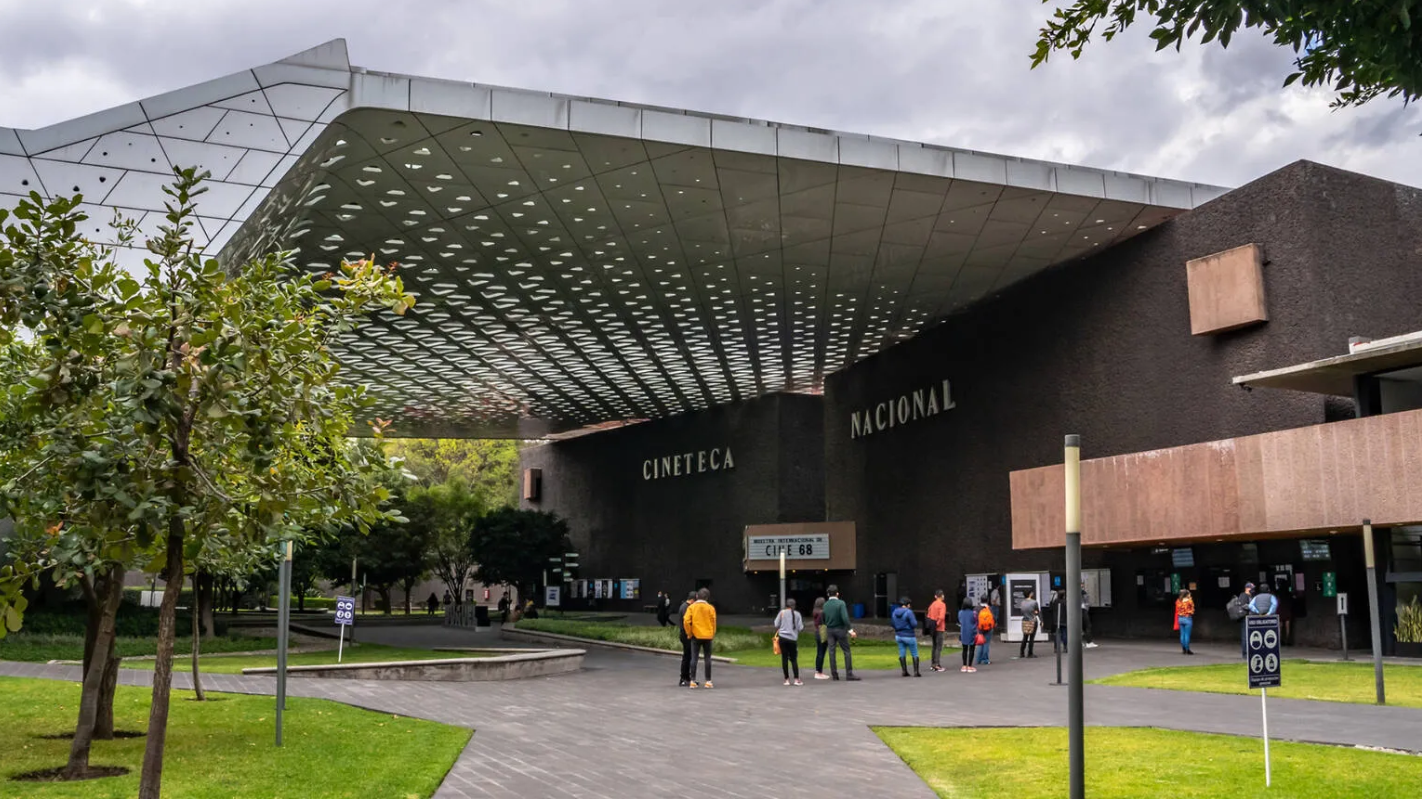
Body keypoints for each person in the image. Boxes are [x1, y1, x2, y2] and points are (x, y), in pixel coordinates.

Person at [822, 584, 860, 681]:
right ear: (837, 593)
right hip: (840, 629)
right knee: (846, 651)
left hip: (829, 630)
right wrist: (851, 630)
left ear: (828, 594)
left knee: (831, 652)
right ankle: (849, 674)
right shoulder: (841, 603)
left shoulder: (825, 605)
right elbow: (845, 618)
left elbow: (823, 619)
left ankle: (834, 674)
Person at [683, 587, 717, 688]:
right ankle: (708, 681)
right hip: (707, 636)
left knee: (694, 658)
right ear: (707, 597)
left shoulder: (692, 607)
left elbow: (686, 621)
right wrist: (712, 633)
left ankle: (692, 680)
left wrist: (689, 633)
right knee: (707, 658)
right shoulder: (710, 608)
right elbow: (713, 622)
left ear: (697, 596)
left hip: (695, 635)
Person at [773, 598, 804, 685]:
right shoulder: (797, 614)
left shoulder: (782, 613)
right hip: (792, 639)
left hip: (782, 638)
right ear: (794, 605)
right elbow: (800, 628)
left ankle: (786, 679)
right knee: (794, 659)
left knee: (784, 658)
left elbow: (776, 624)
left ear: (786, 605)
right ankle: (796, 679)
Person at [890, 596, 922, 677]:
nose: (910, 606)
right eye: (909, 604)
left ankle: (904, 671)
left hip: (899, 635)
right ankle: (916, 672)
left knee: (902, 652)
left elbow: (892, 623)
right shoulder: (909, 612)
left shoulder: (894, 612)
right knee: (914, 653)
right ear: (907, 604)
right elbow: (914, 624)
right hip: (909, 635)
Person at [674, 590, 695, 686]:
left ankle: (687, 677)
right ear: (693, 600)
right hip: (686, 634)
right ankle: (683, 677)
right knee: (687, 656)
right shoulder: (687, 608)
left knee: (688, 656)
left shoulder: (684, 606)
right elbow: (687, 621)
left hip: (684, 633)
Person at [927, 589, 948, 672]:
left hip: (932, 627)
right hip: (939, 628)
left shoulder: (932, 604)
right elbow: (942, 617)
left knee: (934, 646)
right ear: (942, 596)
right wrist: (937, 624)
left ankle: (933, 664)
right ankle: (937, 664)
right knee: (939, 647)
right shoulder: (942, 605)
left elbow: (928, 614)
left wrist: (932, 625)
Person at [1235, 582, 1256, 659]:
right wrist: (1253, 608)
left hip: (1250, 618)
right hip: (1245, 618)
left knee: (1250, 635)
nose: (1253, 590)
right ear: (1247, 588)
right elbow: (1243, 605)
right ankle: (1245, 653)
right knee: (1245, 635)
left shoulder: (1250, 596)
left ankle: (1250, 652)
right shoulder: (1244, 595)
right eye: (1252, 588)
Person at [958, 599, 979, 673]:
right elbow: (976, 622)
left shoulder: (960, 612)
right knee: (972, 649)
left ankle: (964, 666)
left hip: (963, 632)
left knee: (964, 649)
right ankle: (969, 666)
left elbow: (960, 621)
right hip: (972, 632)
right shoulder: (974, 613)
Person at [812, 596, 830, 680]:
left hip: (817, 632)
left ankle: (818, 671)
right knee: (821, 653)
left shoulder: (815, 612)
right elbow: (824, 623)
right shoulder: (822, 613)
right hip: (822, 631)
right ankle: (819, 672)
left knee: (819, 652)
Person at [1018, 590, 1040, 659]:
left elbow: (1021, 612)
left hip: (1025, 621)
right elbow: (1037, 612)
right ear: (1030, 594)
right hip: (1032, 621)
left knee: (1025, 637)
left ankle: (1022, 652)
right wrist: (1035, 613)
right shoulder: (1034, 602)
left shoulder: (1022, 603)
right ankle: (1030, 653)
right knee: (1031, 638)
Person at [1175, 588, 1195, 655]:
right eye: (1189, 593)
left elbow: (1177, 609)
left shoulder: (1178, 601)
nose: (1190, 594)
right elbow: (1192, 609)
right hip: (1187, 618)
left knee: (1182, 634)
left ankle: (1183, 649)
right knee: (1187, 635)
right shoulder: (1189, 601)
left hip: (1180, 618)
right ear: (1186, 595)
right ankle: (1187, 649)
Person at [975, 598, 995, 665]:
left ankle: (978, 660)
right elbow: (993, 617)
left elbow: (974, 618)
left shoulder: (976, 608)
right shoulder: (990, 608)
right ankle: (985, 660)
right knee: (986, 643)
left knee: (980, 643)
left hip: (980, 628)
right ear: (987, 600)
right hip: (988, 628)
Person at [1080, 582, 1097, 648]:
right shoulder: (1083, 593)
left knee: (1082, 627)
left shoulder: (1081, 593)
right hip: (1083, 610)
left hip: (1081, 611)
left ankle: (1085, 642)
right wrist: (1086, 607)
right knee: (1087, 626)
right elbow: (1086, 602)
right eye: (1081, 586)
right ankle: (1089, 642)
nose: (1082, 587)